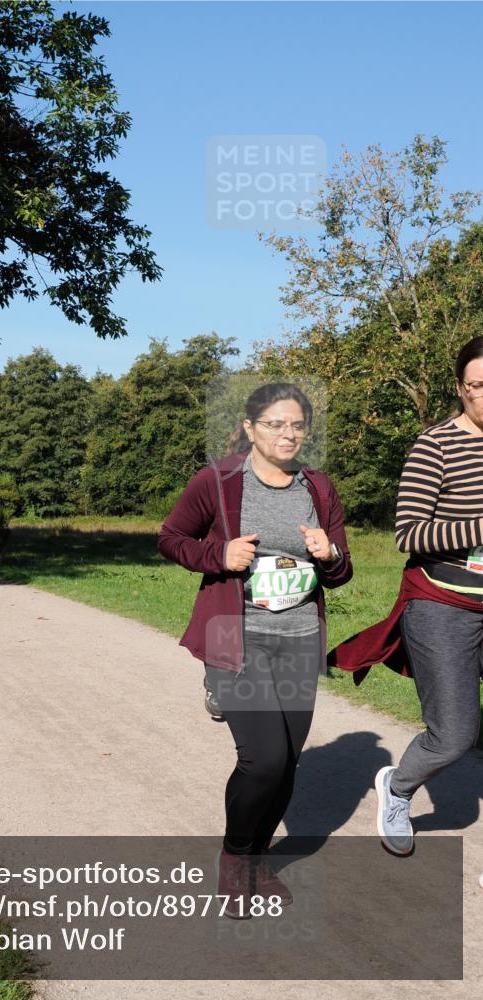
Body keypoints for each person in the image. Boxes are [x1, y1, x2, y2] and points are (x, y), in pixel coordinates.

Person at [158, 382, 353, 918]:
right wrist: (219, 554)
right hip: (230, 630)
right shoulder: (218, 482)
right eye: (275, 424)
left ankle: (259, 859)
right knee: (263, 760)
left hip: (298, 636)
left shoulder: (318, 486)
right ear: (250, 428)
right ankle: (234, 860)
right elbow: (172, 538)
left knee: (287, 763)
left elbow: (341, 570)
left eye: (296, 425)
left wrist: (330, 553)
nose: (288, 434)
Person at [328, 336, 483, 857]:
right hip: (443, 603)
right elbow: (409, 534)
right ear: (461, 389)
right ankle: (396, 787)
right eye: (478, 386)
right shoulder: (435, 444)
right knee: (455, 735)